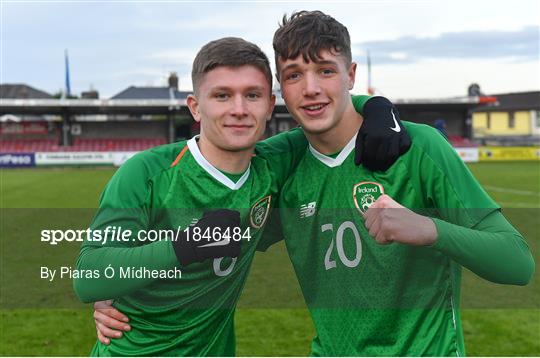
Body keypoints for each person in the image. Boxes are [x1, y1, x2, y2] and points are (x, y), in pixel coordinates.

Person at [93, 10, 535, 356]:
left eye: (325, 70)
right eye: (293, 75)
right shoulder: (279, 167)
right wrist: (119, 291)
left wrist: (430, 229)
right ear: (280, 92)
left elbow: (517, 263)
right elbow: (205, 249)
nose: (310, 89)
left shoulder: (418, 147)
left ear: (351, 74)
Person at [75, 36, 406, 355]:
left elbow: (335, 110)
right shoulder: (146, 174)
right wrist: (187, 245)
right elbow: (89, 278)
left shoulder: (273, 163)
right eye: (221, 96)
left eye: (252, 95)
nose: (238, 109)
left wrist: (377, 106)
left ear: (269, 105)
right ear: (195, 106)